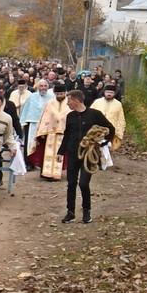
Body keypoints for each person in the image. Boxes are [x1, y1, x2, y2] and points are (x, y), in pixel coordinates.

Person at [60, 90, 115, 224]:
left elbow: (110, 128)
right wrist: (61, 152)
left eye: (69, 101)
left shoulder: (94, 115)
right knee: (71, 183)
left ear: (76, 101)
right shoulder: (70, 116)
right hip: (73, 153)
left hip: (88, 155)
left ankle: (86, 211)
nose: (68, 104)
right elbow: (67, 135)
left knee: (84, 183)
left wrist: (104, 141)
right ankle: (70, 212)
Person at [32, 88, 69, 180]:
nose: (59, 96)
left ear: (65, 93)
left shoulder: (69, 103)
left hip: (64, 132)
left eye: (61, 93)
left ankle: (57, 174)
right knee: (47, 152)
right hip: (50, 132)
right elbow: (45, 117)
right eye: (58, 94)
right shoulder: (50, 102)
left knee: (61, 152)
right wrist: (42, 130)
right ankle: (46, 173)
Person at [91, 85, 126, 151]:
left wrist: (120, 131)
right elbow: (90, 115)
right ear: (104, 92)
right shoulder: (97, 102)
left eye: (111, 92)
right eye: (107, 92)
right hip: (97, 130)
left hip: (111, 130)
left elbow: (121, 119)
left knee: (108, 150)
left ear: (115, 94)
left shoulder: (118, 104)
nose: (109, 94)